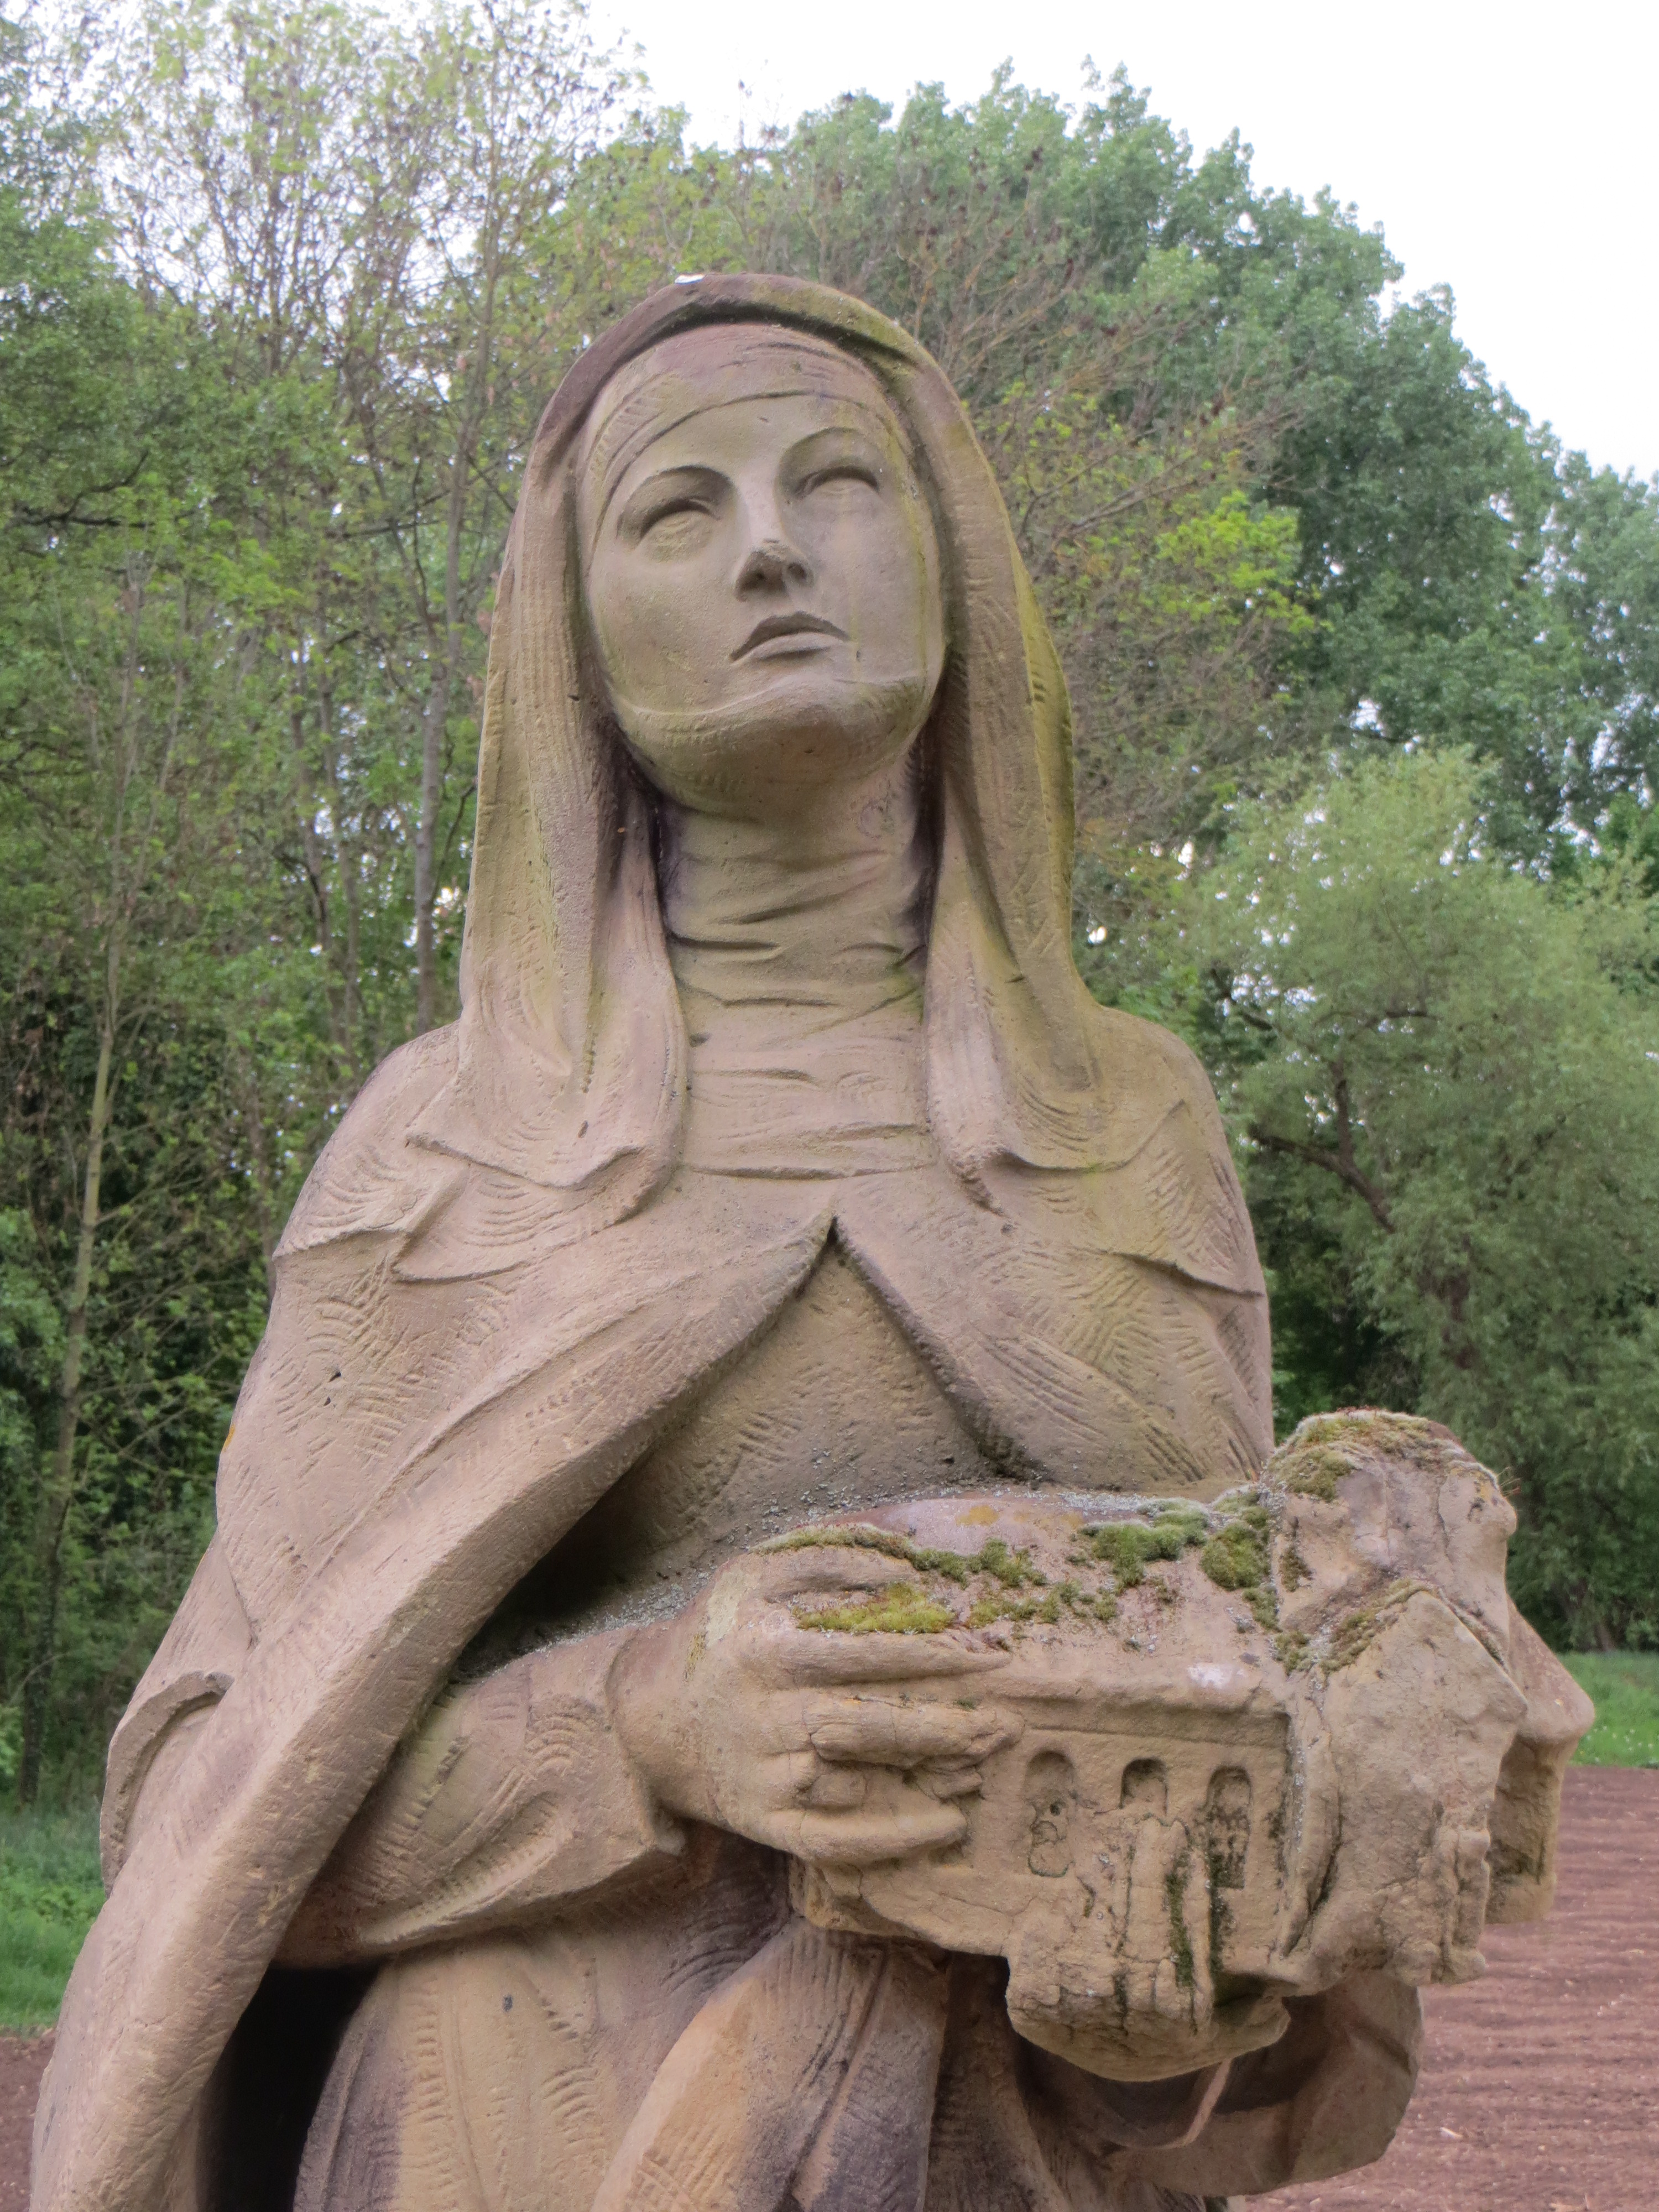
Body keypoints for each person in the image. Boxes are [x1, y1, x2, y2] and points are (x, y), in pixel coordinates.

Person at [34, 276, 1418, 2212]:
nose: (771, 547)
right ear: (576, 635)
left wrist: (1169, 2009)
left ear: (947, 563)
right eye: (678, 511)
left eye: (835, 482)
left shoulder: (1133, 1126)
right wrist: (648, 1731)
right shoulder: (443, 1155)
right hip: (505, 2139)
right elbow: (203, 1801)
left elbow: (1256, 1778)